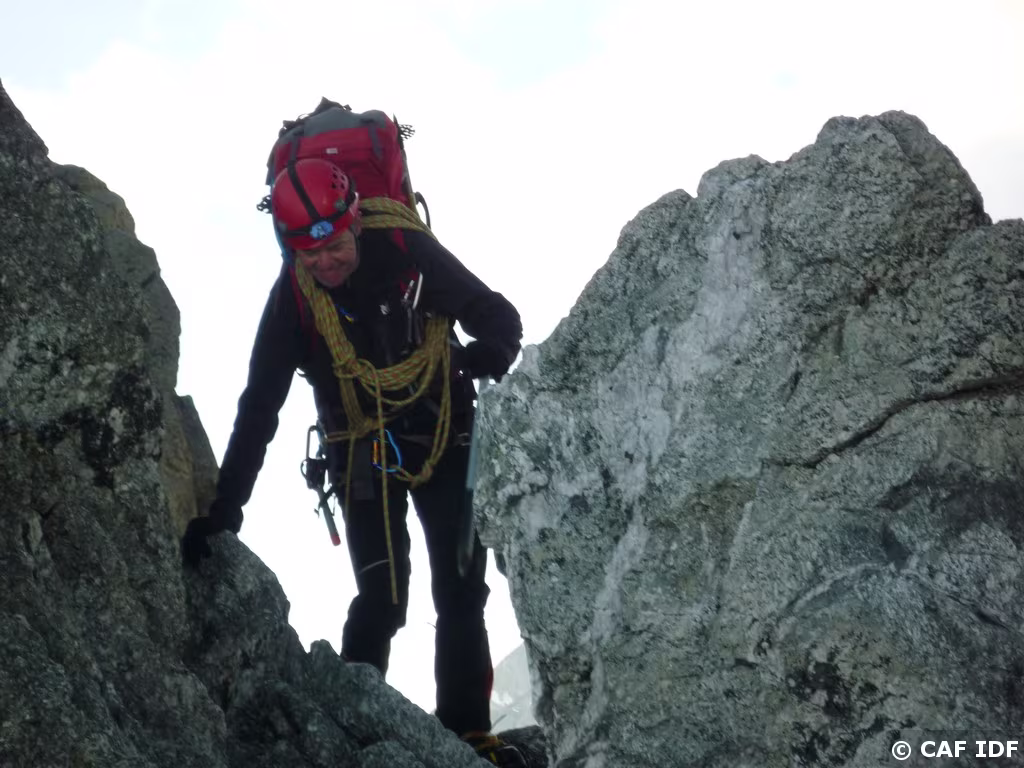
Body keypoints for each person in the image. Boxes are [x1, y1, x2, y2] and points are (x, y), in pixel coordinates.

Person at [181, 158, 526, 766]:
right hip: (362, 450)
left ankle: (467, 735)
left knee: (461, 588)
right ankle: (346, 728)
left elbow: (497, 315)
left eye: (335, 246)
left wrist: (483, 355)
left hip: (445, 433)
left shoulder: (405, 250)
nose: (325, 263)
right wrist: (226, 509)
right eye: (309, 254)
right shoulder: (294, 300)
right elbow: (259, 406)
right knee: (382, 599)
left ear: (355, 223)